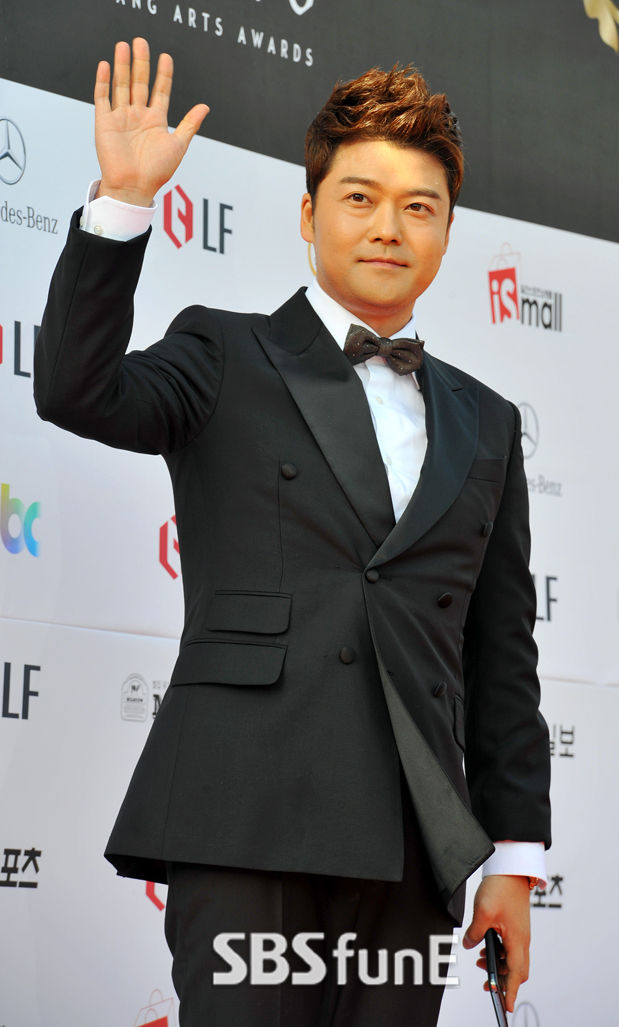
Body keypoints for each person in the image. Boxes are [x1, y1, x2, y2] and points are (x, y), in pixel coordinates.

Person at [34, 37, 551, 1026]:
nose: (388, 226)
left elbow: (501, 654)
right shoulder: (222, 351)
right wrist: (123, 203)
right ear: (309, 214)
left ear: (447, 232)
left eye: (419, 207)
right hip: (244, 819)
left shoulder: (487, 421)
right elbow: (75, 389)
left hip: (413, 841)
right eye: (359, 197)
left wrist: (513, 862)